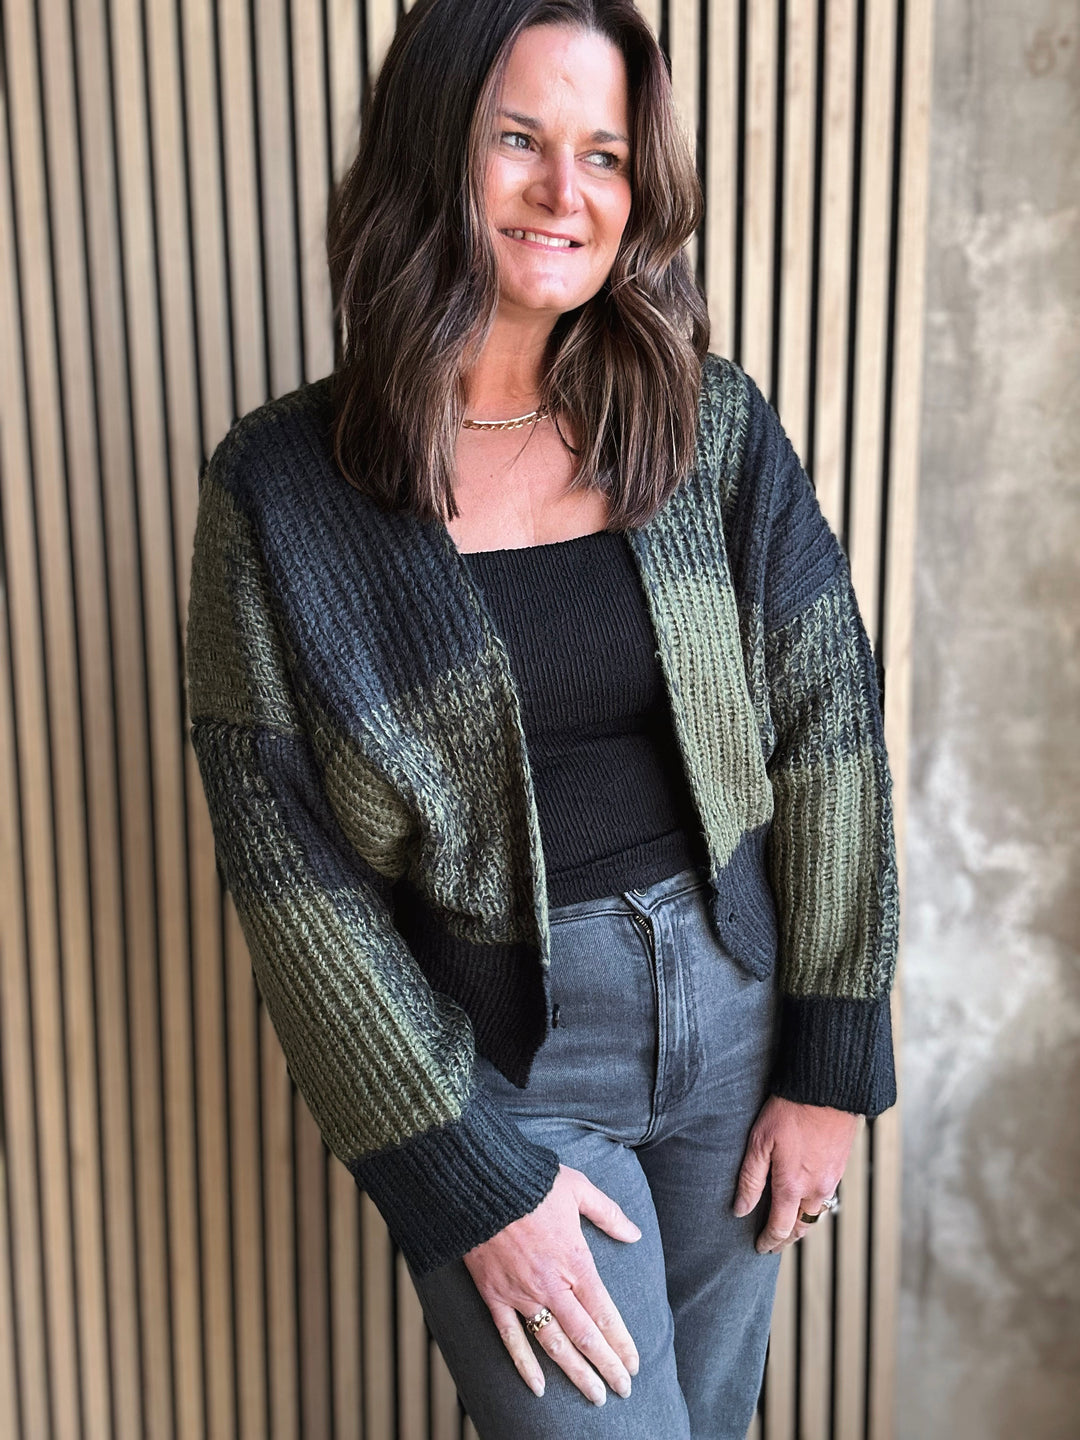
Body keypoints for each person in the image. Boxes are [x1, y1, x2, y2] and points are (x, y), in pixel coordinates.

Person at [185, 0, 898, 1435]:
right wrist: (463, 1168)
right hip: (505, 1069)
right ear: (431, 150)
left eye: (607, 153)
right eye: (519, 140)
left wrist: (829, 1058)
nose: (566, 192)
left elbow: (830, 727)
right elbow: (290, 878)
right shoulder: (282, 493)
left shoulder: (710, 430)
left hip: (736, 1031)